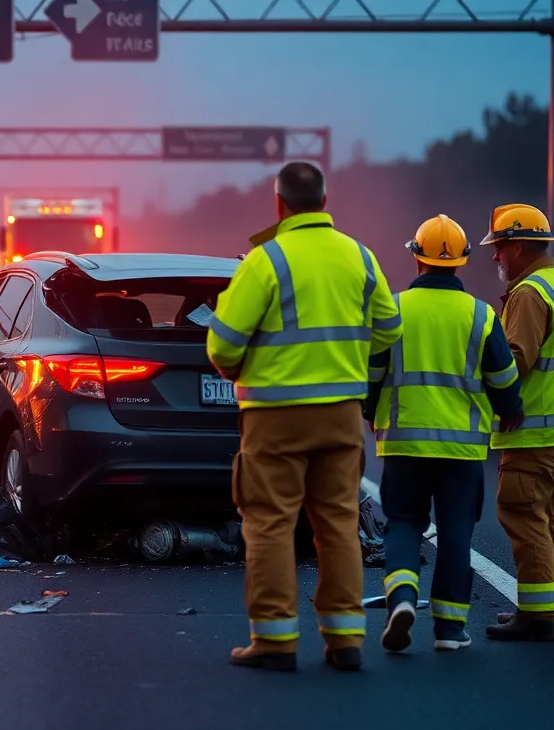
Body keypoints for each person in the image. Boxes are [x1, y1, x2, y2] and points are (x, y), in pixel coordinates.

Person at [207, 161, 403, 673]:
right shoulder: (358, 257)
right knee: (338, 522)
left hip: (275, 416)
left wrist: (238, 367)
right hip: (340, 415)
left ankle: (274, 642)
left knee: (270, 523)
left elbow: (223, 342)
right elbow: (388, 327)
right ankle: (345, 640)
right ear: (323, 200)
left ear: (279, 204)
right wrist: (348, 361)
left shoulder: (266, 260)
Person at [363, 214, 524, 654]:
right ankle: (450, 630)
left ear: (416, 259)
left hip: (404, 444)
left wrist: (369, 413)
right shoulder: (481, 315)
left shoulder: (392, 309)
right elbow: (504, 379)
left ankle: (401, 600)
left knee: (404, 525)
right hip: (461, 449)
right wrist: (511, 412)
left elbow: (372, 375)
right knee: (456, 534)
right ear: (461, 263)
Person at [480, 204, 554, 642]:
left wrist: (475, 381)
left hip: (536, 430)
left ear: (519, 246)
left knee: (521, 512)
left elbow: (515, 360)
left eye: (499, 246)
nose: (495, 256)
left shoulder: (530, 293)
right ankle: (552, 606)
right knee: (548, 515)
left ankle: (538, 616)